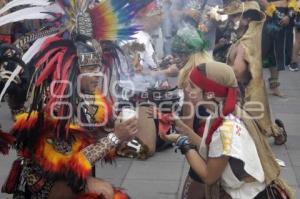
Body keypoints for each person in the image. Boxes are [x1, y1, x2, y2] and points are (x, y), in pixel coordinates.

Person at [0, 0, 151, 198]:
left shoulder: (92, 97)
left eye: (98, 67)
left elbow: (96, 141)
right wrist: (115, 137)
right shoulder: (54, 107)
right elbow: (68, 167)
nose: (97, 74)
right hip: (50, 187)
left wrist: (121, 135)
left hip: (75, 179)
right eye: (89, 68)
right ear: (72, 70)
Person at [156, 63, 294, 199]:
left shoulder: (225, 130)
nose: (186, 89)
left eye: (192, 86)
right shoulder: (224, 112)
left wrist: (181, 142)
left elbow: (209, 176)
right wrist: (183, 128)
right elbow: (211, 149)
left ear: (210, 93)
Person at [226, 1, 287, 145]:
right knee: (252, 121)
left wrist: (221, 75)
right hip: (244, 88)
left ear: (247, 20)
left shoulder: (246, 42)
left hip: (245, 89)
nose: (231, 19)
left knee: (258, 122)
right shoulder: (244, 37)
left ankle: (277, 132)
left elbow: (239, 70)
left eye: (235, 16)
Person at [259, 0, 296, 97]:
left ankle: (274, 87)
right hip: (268, 17)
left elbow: (293, 2)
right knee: (261, 52)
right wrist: (278, 14)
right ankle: (253, 86)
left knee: (278, 53)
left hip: (285, 19)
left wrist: (289, 15)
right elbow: (262, 2)